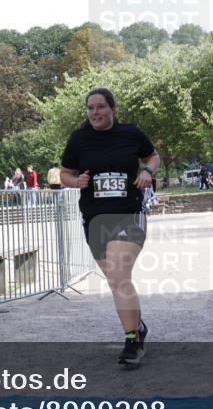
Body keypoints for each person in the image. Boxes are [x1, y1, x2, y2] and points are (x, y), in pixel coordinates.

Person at [60, 87, 159, 366]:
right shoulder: (78, 139)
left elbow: (152, 156)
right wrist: (76, 182)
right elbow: (64, 174)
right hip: (94, 219)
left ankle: (132, 341)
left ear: (112, 108)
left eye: (100, 107)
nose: (95, 112)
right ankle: (138, 327)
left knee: (117, 274)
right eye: (90, 108)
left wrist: (147, 171)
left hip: (128, 214)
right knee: (117, 281)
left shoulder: (131, 133)